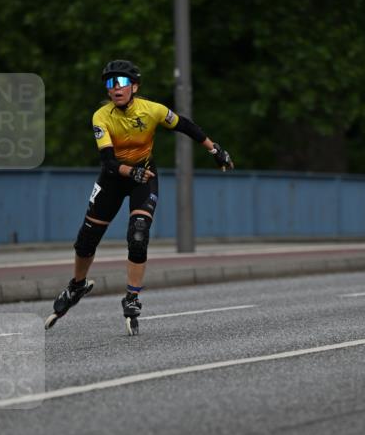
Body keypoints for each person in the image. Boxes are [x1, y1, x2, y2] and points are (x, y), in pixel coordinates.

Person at [46, 60, 233, 332]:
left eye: (121, 82)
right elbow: (108, 162)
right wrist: (128, 172)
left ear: (134, 86)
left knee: (138, 233)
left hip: (143, 178)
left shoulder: (152, 110)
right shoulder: (101, 116)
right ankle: (76, 286)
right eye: (110, 83)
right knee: (86, 240)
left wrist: (214, 149)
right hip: (113, 179)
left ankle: (132, 298)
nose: (115, 88)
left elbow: (185, 126)